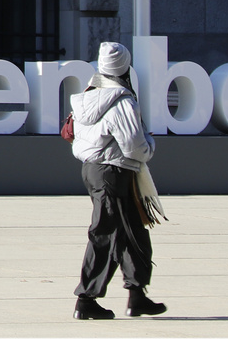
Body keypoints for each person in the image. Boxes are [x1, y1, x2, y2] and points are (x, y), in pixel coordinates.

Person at [69, 41, 167, 320]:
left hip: (94, 169)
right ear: (125, 67)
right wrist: (150, 145)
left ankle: (137, 295)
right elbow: (135, 147)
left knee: (132, 231)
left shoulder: (88, 96)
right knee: (106, 234)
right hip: (114, 172)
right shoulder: (121, 101)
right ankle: (86, 300)